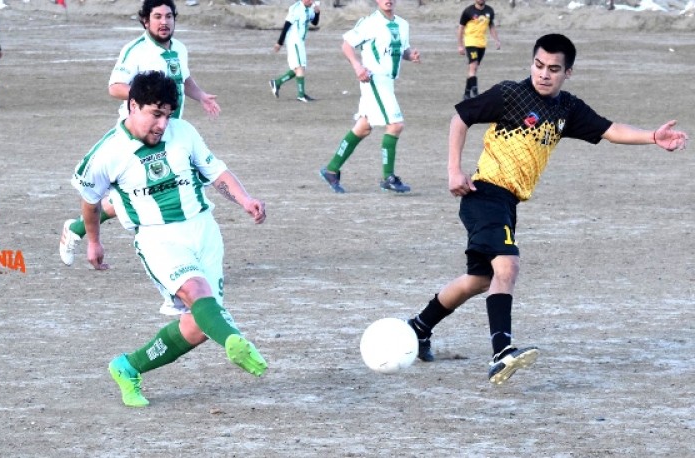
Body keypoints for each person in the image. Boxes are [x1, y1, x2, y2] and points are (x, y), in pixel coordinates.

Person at [406, 33, 688, 385]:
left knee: (479, 280)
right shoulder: (510, 94)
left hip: (507, 204)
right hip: (484, 194)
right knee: (507, 265)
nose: (543, 74)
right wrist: (453, 170)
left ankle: (418, 327)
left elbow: (610, 129)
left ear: (567, 72)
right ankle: (501, 352)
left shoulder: (566, 109)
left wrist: (652, 137)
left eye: (553, 69)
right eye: (539, 65)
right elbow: (460, 118)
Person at [70, 71, 269, 407]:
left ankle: (128, 366)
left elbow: (216, 172)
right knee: (197, 293)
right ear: (132, 105)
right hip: (157, 238)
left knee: (198, 327)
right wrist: (93, 241)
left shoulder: (184, 132)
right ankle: (235, 341)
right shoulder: (105, 155)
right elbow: (90, 205)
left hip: (204, 231)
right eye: (155, 114)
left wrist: (245, 199)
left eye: (167, 115)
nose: (162, 124)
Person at [59, 0, 221, 271]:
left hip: (170, 133)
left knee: (158, 191)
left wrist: (201, 96)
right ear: (146, 21)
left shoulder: (180, 49)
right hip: (138, 136)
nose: (164, 22)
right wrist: (148, 97)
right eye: (157, 16)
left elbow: (185, 78)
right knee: (149, 192)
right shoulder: (136, 51)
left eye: (169, 16)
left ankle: (77, 228)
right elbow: (115, 86)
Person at [319, 0, 420, 194]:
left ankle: (331, 170)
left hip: (388, 81)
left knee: (363, 127)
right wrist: (358, 66)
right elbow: (346, 45)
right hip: (373, 79)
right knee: (396, 124)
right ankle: (388, 177)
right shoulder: (369, 23)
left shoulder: (403, 24)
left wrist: (410, 55)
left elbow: (401, 51)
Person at [269, 0, 321, 103]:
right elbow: (286, 26)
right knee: (300, 67)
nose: (313, 1)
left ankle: (277, 82)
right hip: (294, 41)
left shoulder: (309, 9)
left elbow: (314, 22)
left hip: (300, 42)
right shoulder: (296, 9)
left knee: (298, 68)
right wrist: (279, 42)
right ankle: (301, 95)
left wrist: (317, 13)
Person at [457, 0, 500, 100]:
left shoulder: (489, 11)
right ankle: (475, 93)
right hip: (470, 42)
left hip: (482, 44)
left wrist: (496, 40)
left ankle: (466, 93)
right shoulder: (468, 11)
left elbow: (491, 26)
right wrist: (460, 45)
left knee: (474, 68)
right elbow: (460, 28)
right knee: (473, 66)